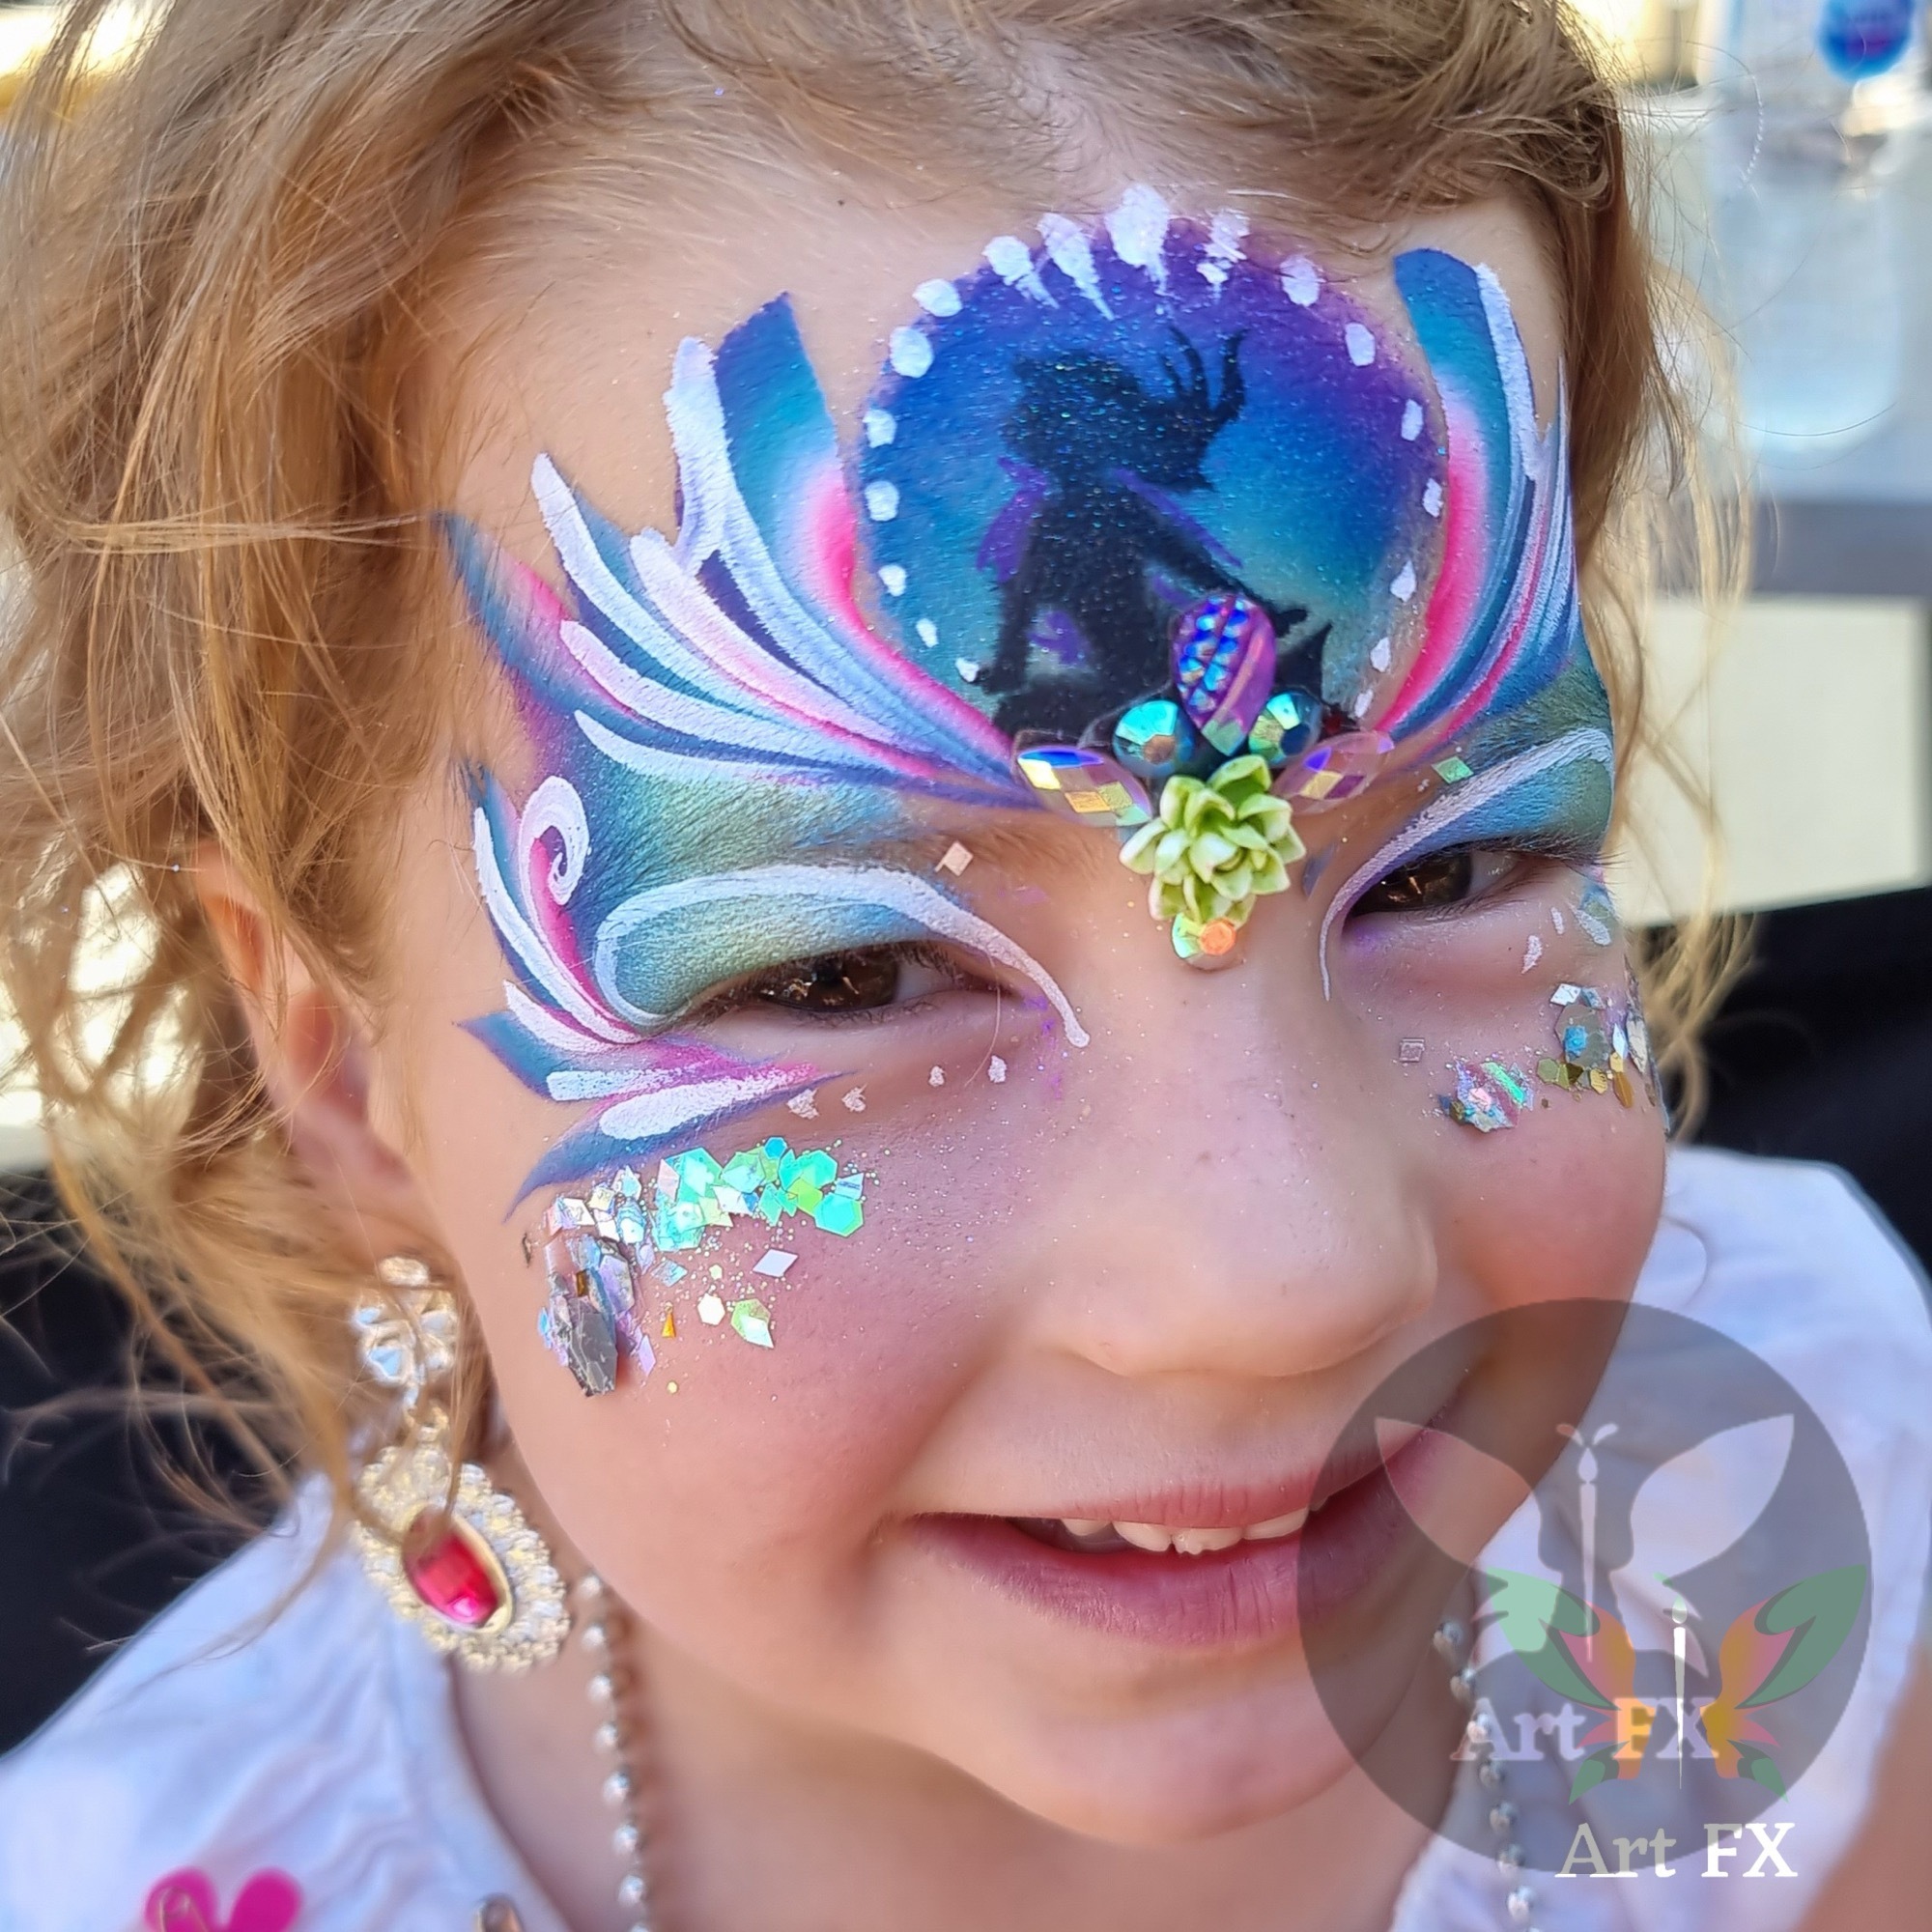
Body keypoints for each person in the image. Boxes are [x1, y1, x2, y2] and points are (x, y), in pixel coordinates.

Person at [0, 3, 1926, 1929]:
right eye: (842, 974)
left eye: (1460, 867)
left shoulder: (1806, 1484)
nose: (1285, 1281)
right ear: (340, 1067)